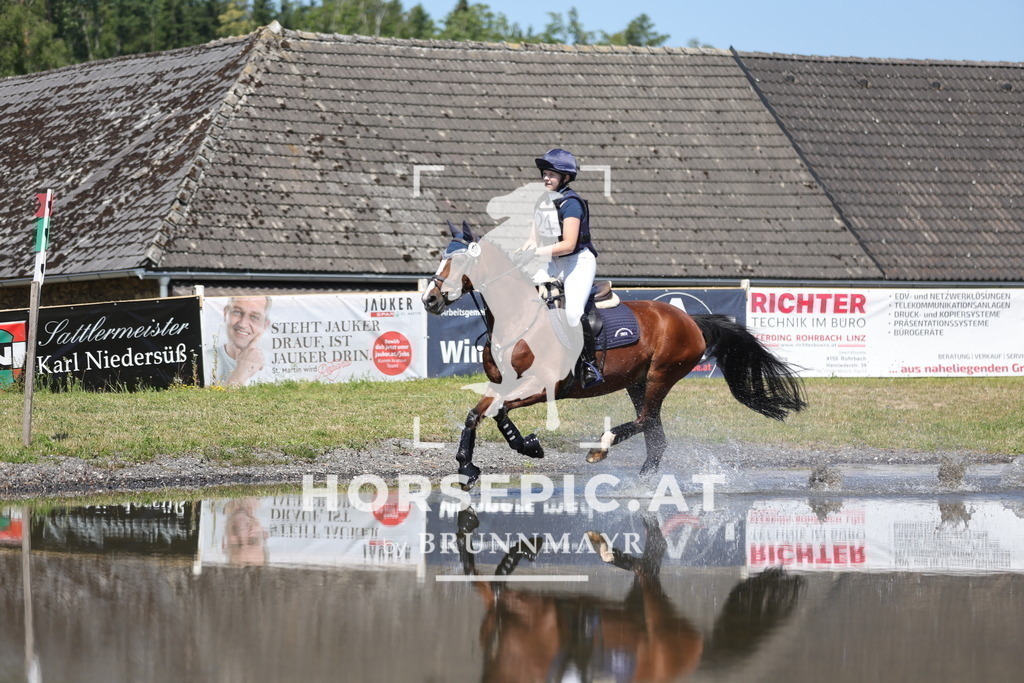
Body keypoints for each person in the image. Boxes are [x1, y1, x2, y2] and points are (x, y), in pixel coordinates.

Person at [524, 148, 602, 388]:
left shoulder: (571, 204)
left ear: (565, 178)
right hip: (551, 260)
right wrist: (521, 253)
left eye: (552, 174)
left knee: (572, 313)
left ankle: (589, 366)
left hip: (577, 262)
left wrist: (535, 252)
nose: (546, 178)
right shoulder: (542, 202)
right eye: (545, 173)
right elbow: (532, 240)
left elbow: (568, 245)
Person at [215, 296, 274, 386]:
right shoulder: (203, 362)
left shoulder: (277, 365)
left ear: (265, 325)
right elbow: (216, 399)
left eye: (254, 317)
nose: (243, 324)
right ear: (225, 313)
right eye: (237, 312)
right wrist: (242, 371)